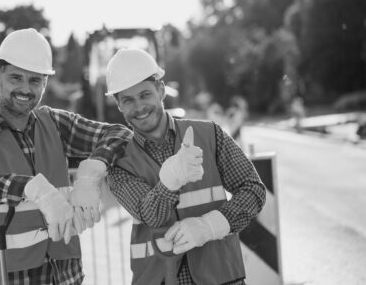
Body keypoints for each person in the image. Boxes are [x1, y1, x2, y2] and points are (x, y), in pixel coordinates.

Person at [0, 28, 132, 285]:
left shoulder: (55, 123)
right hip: (7, 277)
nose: (25, 88)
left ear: (45, 83)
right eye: (16, 78)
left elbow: (119, 134)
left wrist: (92, 173)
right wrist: (32, 188)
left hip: (65, 275)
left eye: (35, 80)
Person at [105, 48, 266, 285]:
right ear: (118, 104)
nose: (139, 107)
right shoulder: (119, 162)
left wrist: (210, 225)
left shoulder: (209, 134)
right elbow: (151, 215)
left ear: (161, 90)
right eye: (128, 100)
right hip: (159, 279)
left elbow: (253, 190)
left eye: (145, 94)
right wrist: (171, 179)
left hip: (220, 277)